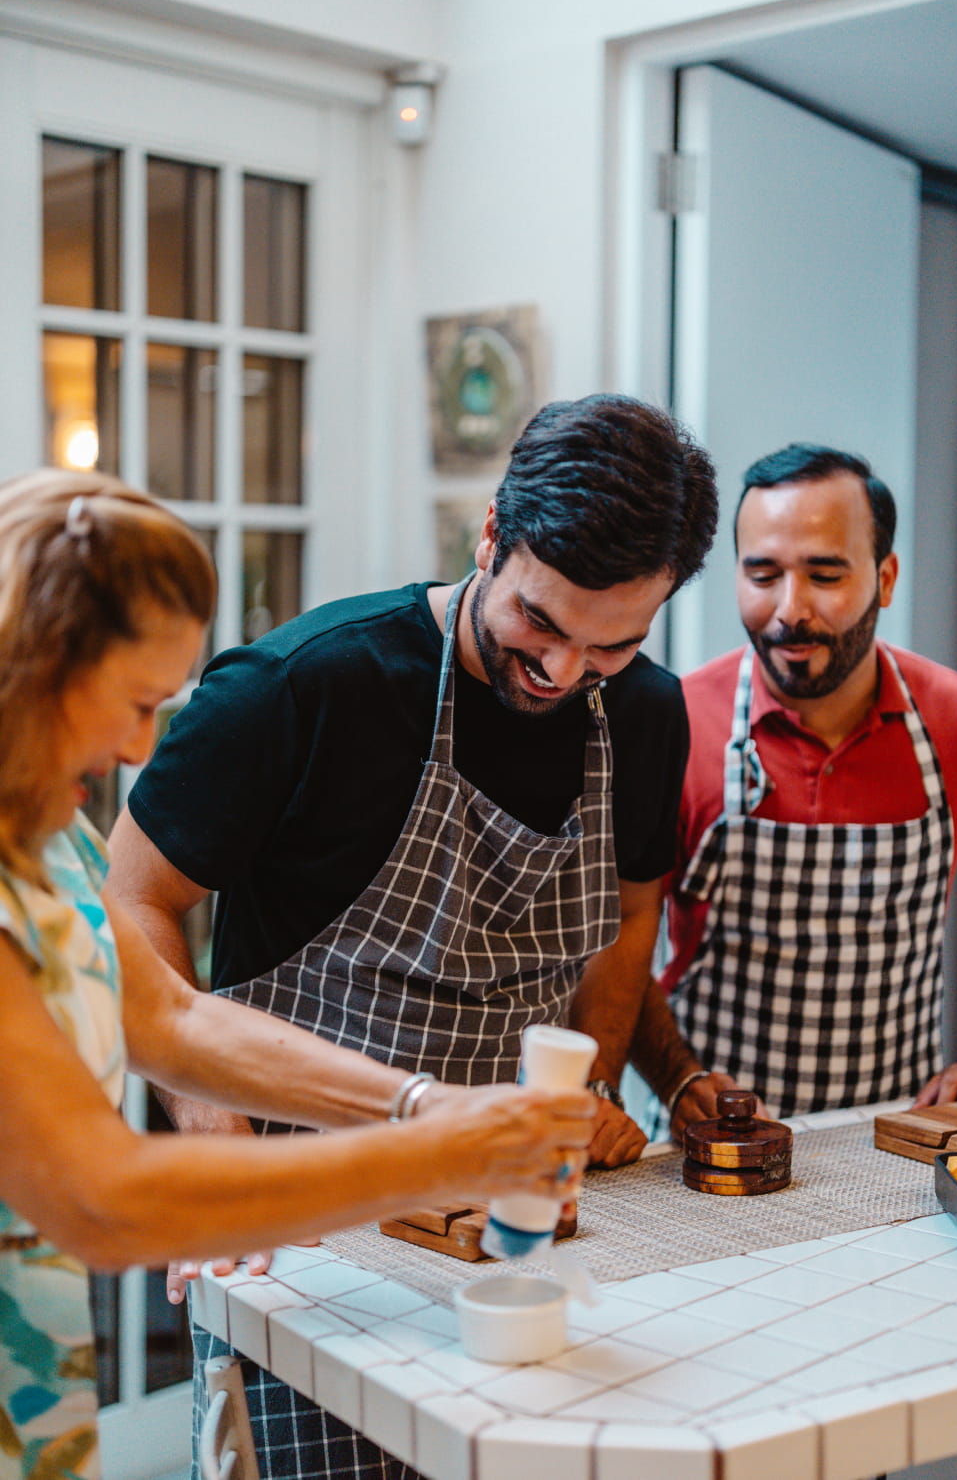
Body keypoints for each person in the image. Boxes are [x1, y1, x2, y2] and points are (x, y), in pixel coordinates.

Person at [105, 392, 719, 1480]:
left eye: (610, 644)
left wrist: (589, 1098)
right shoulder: (305, 686)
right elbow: (131, 901)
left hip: (512, 1209)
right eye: (539, 622)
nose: (563, 672)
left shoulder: (647, 715)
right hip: (300, 1213)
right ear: (491, 533)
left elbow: (629, 919)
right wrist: (212, 1140)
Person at [0, 469, 597, 1480]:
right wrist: (445, 1160)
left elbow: (174, 1024)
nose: (144, 744)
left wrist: (421, 1103)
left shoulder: (46, 839)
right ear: (38, 663)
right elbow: (100, 1197)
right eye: (138, 703)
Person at [629, 442, 957, 1141]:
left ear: (885, 578)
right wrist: (677, 1077)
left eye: (825, 574)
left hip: (896, 1142)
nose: (789, 611)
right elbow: (615, 938)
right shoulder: (675, 723)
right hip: (702, 1149)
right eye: (761, 574)